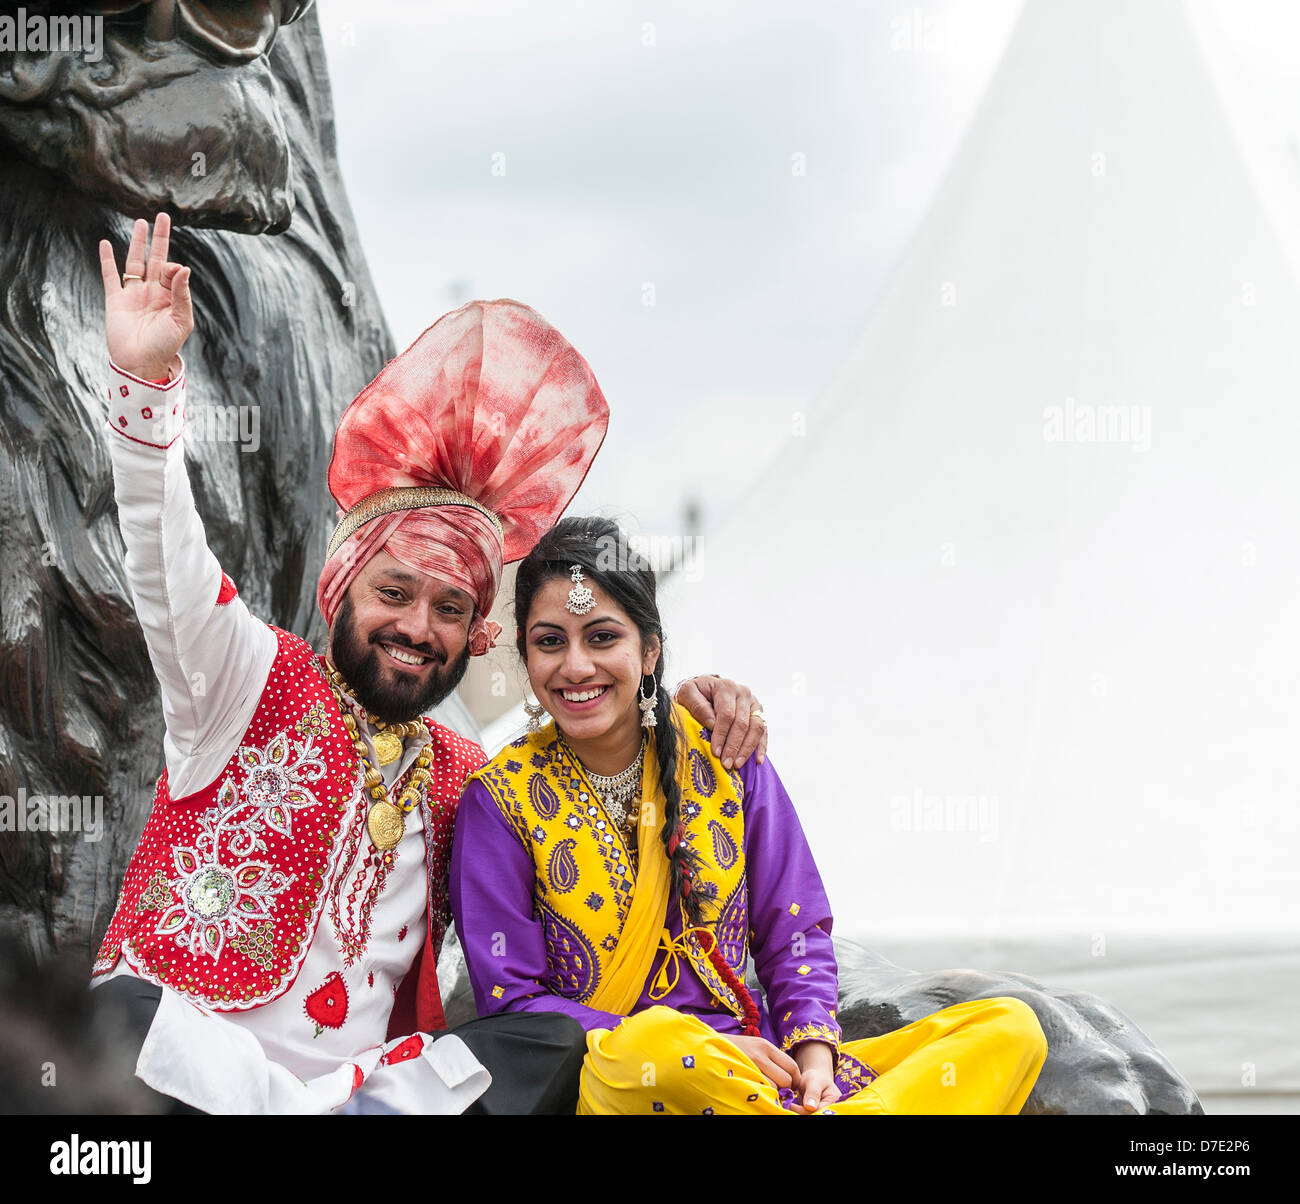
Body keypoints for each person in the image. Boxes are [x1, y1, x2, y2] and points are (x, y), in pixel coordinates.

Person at [89, 216, 767, 1114]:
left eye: (452, 607)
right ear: (343, 587)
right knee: (120, 1014)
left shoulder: (469, 781)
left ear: (478, 631)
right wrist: (146, 384)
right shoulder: (244, 677)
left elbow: (593, 784)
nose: (418, 626)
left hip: (357, 1097)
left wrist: (675, 706)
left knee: (547, 1040)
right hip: (189, 1069)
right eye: (396, 592)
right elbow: (162, 555)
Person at [451, 516, 1049, 1114]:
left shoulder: (726, 755)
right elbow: (514, 1003)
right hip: (623, 1074)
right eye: (550, 641)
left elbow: (794, 929)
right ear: (526, 658)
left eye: (602, 637)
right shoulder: (499, 800)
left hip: (759, 1071)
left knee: (1010, 1027)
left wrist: (815, 1058)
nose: (576, 666)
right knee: (658, 1041)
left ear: (650, 650)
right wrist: (699, 1042)